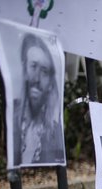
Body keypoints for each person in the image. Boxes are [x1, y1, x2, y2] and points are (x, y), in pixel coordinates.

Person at [13, 33, 65, 167]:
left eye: (44, 71)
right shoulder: (12, 116)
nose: (36, 79)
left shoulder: (53, 129)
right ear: (25, 70)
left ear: (50, 84)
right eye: (33, 66)